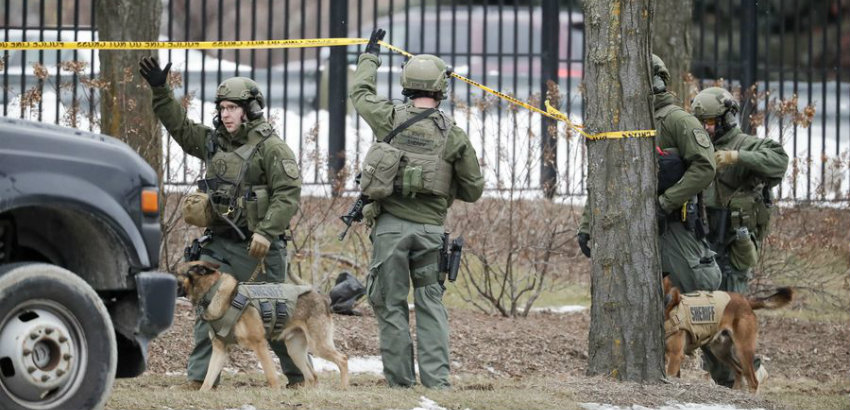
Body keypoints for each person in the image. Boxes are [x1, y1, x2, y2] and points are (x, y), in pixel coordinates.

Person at [138, 57, 305, 389]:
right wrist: (161, 91)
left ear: (251, 109)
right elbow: (180, 128)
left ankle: (299, 376)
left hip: (260, 248)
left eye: (232, 107)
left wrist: (266, 232)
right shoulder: (214, 142)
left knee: (276, 314)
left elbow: (288, 194)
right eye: (222, 107)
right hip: (220, 243)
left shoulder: (272, 149)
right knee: (206, 306)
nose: (225, 114)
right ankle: (200, 378)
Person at [349, 28, 484, 388]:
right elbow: (474, 189)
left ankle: (399, 383)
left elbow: (359, 93)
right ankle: (437, 383)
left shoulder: (387, 117)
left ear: (407, 85)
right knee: (430, 304)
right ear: (442, 89)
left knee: (390, 305)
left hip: (390, 230)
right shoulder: (453, 134)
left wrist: (370, 56)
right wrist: (443, 185)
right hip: (429, 233)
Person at [578, 54, 722, 294]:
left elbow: (705, 167)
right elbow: (603, 178)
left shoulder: (678, 121)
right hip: (627, 225)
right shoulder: (619, 124)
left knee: (695, 289)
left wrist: (664, 203)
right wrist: (587, 225)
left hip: (673, 226)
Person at [692, 86, 789, 388]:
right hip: (705, 246)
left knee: (730, 321)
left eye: (710, 122)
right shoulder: (697, 146)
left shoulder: (746, 144)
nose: (706, 128)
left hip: (734, 247)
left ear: (725, 119)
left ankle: (742, 378)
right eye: (702, 123)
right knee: (707, 323)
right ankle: (731, 376)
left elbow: (779, 161)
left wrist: (735, 157)